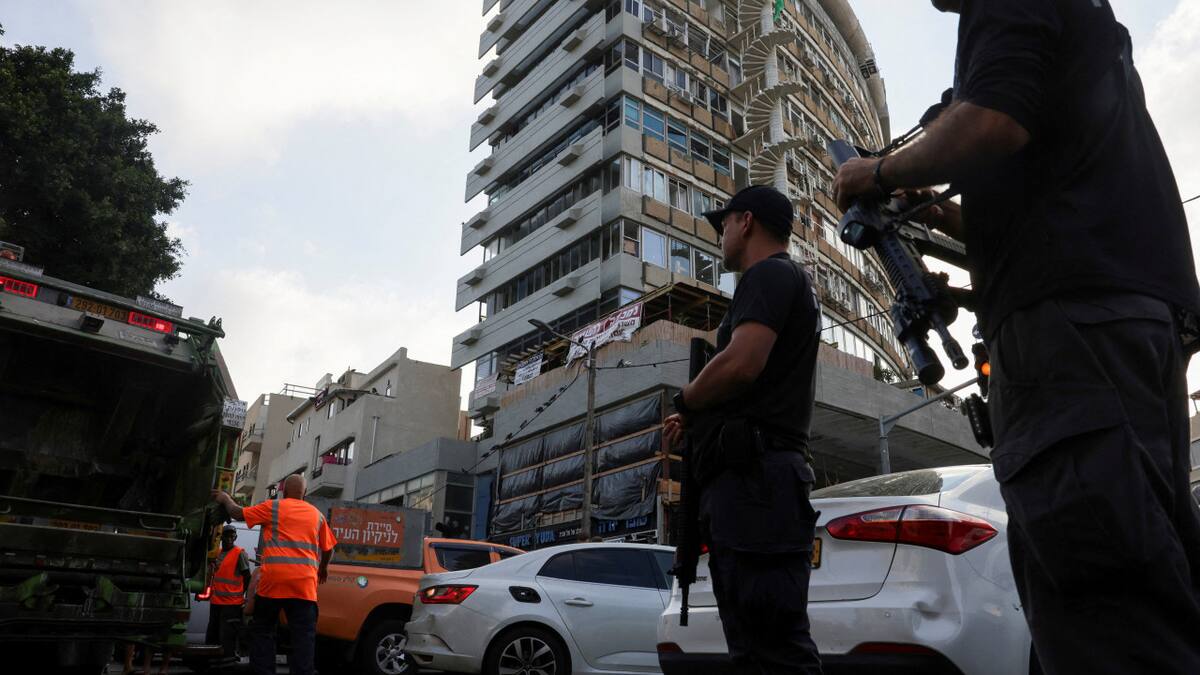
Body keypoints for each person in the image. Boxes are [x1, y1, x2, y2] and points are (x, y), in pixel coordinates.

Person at [833, 2, 1200, 673]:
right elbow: (1046, 198)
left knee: (1100, 607)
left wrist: (876, 173)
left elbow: (992, 122)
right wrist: (948, 228)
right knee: (1145, 583)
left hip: (1073, 338)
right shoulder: (1082, 31)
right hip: (1122, 324)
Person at [664, 185, 823, 674]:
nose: (721, 235)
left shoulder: (769, 274)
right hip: (756, 486)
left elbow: (742, 362)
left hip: (758, 485)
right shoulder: (780, 280)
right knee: (758, 649)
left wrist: (686, 400)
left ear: (747, 221)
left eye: (724, 223)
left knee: (771, 651)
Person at [212, 474, 337, 675]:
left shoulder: (274, 507)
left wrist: (225, 498)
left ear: (284, 491)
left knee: (263, 631)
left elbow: (237, 513)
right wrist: (323, 568)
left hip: (272, 584)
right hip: (304, 587)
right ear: (304, 493)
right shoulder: (317, 515)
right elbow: (329, 547)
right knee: (303, 638)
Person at [206, 524, 251, 659]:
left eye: (232, 536)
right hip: (216, 602)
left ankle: (226, 663)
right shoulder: (217, 553)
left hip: (231, 604)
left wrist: (241, 595)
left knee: (227, 637)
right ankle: (211, 661)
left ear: (235, 537)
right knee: (212, 634)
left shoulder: (239, 553)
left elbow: (247, 576)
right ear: (222, 537)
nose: (230, 538)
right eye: (227, 535)